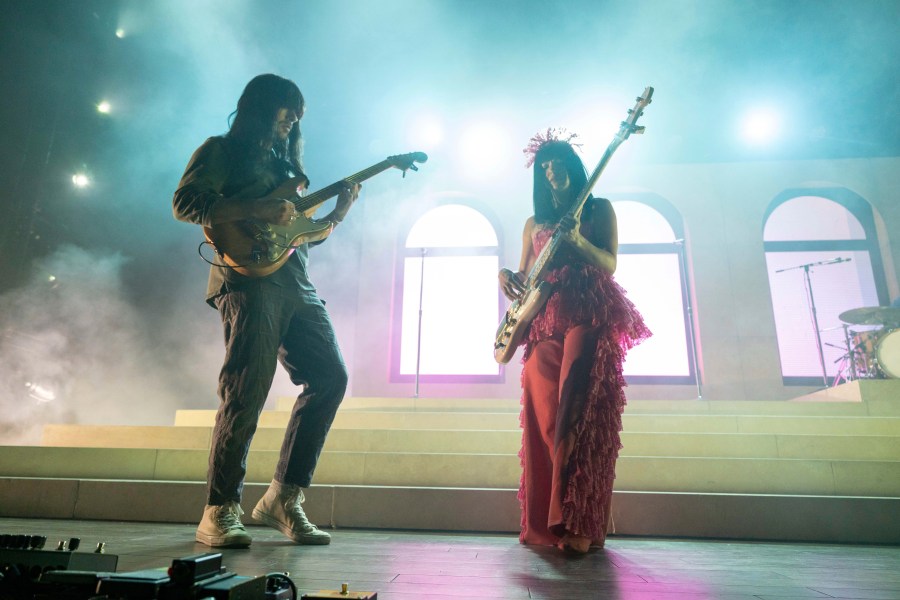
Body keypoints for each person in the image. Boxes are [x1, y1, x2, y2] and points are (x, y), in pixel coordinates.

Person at [173, 74, 359, 548]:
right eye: (286, 108)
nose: (293, 118)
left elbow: (299, 233)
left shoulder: (288, 166)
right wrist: (256, 206)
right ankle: (219, 509)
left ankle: (284, 496)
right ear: (260, 106)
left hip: (295, 281)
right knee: (246, 390)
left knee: (331, 377)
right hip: (247, 281)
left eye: (298, 113)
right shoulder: (222, 150)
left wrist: (336, 215)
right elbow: (186, 202)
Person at [498, 131, 650, 554]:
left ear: (572, 167)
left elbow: (610, 263)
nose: (552, 171)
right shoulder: (534, 224)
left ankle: (579, 524)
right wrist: (507, 277)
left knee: (575, 414)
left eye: (558, 162)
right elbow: (526, 279)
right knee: (545, 419)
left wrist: (579, 239)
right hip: (544, 321)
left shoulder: (598, 209)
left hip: (588, 313)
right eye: (544, 166)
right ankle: (551, 521)